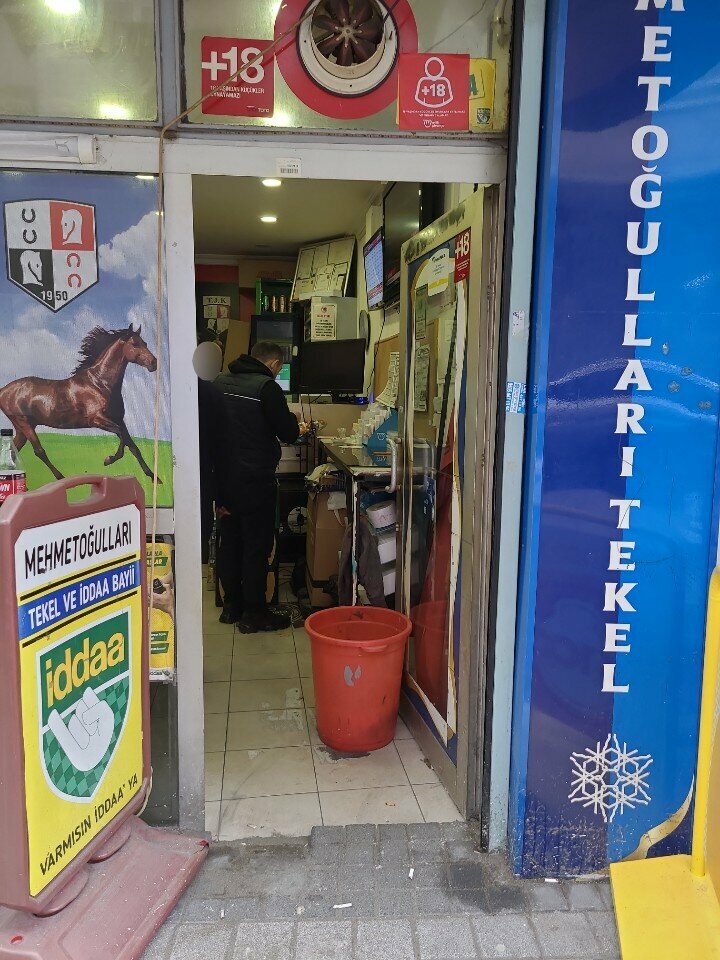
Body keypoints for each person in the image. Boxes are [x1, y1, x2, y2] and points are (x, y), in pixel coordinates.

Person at [214, 341, 308, 633]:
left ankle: (232, 607)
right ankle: (254, 614)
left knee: (230, 544)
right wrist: (297, 423)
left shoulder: (219, 382)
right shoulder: (267, 389)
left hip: (223, 481)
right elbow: (289, 433)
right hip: (256, 482)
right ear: (274, 365)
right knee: (256, 548)